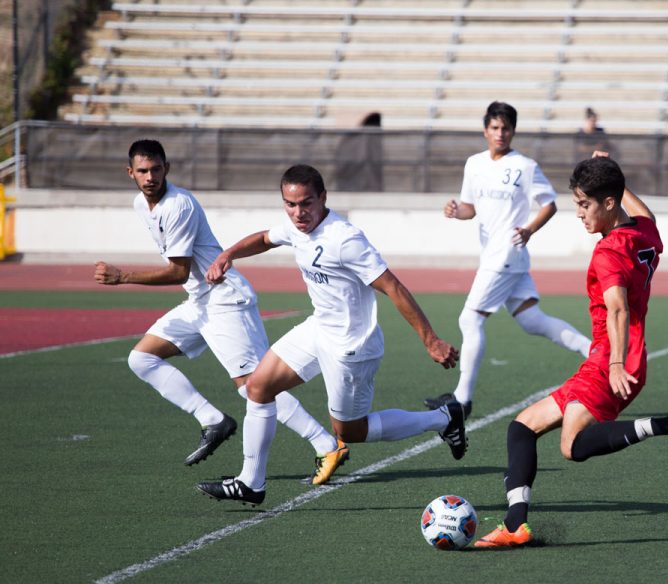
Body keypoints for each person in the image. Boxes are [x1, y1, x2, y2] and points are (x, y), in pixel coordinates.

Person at [474, 156, 668, 548]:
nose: (578, 214)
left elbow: (618, 307)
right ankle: (515, 524)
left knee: (571, 447)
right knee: (522, 427)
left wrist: (617, 364)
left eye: (584, 204)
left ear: (607, 204)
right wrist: (617, 177)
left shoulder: (608, 252)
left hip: (613, 357)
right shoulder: (644, 233)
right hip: (607, 357)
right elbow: (644, 213)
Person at [196, 164, 464, 506]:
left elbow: (393, 287)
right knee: (258, 387)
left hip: (351, 346)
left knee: (350, 432)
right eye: (290, 204)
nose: (298, 212)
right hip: (318, 328)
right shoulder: (296, 227)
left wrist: (431, 340)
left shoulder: (345, 239)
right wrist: (227, 255)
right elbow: (265, 238)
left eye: (306, 203)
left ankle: (443, 418)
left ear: (323, 198)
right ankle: (251, 483)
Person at [94, 140, 343, 485]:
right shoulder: (142, 204)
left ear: (167, 168)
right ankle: (212, 420)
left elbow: (178, 271)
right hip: (199, 303)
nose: (150, 177)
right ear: (130, 173)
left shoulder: (178, 205)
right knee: (142, 359)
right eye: (142, 171)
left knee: (254, 387)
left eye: (156, 169)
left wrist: (122, 277)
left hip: (225, 301)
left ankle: (325, 443)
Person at [424, 101, 592, 418]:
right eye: (495, 127)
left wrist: (529, 229)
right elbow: (469, 208)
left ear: (513, 131)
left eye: (506, 128)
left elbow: (549, 205)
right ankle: (593, 351)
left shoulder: (525, 166)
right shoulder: (473, 164)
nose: (500, 133)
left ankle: (462, 400)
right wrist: (454, 211)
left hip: (507, 251)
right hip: (497, 255)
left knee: (469, 319)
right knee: (532, 320)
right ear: (486, 130)